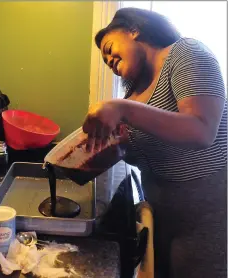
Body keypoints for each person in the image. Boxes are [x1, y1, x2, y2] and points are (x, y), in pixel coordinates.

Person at [84, 7, 227, 278]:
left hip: (204, 217)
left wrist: (122, 109)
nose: (108, 59)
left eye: (109, 47)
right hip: (160, 215)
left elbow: (202, 130)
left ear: (133, 30)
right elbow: (148, 155)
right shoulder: (134, 90)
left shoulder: (186, 53)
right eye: (104, 60)